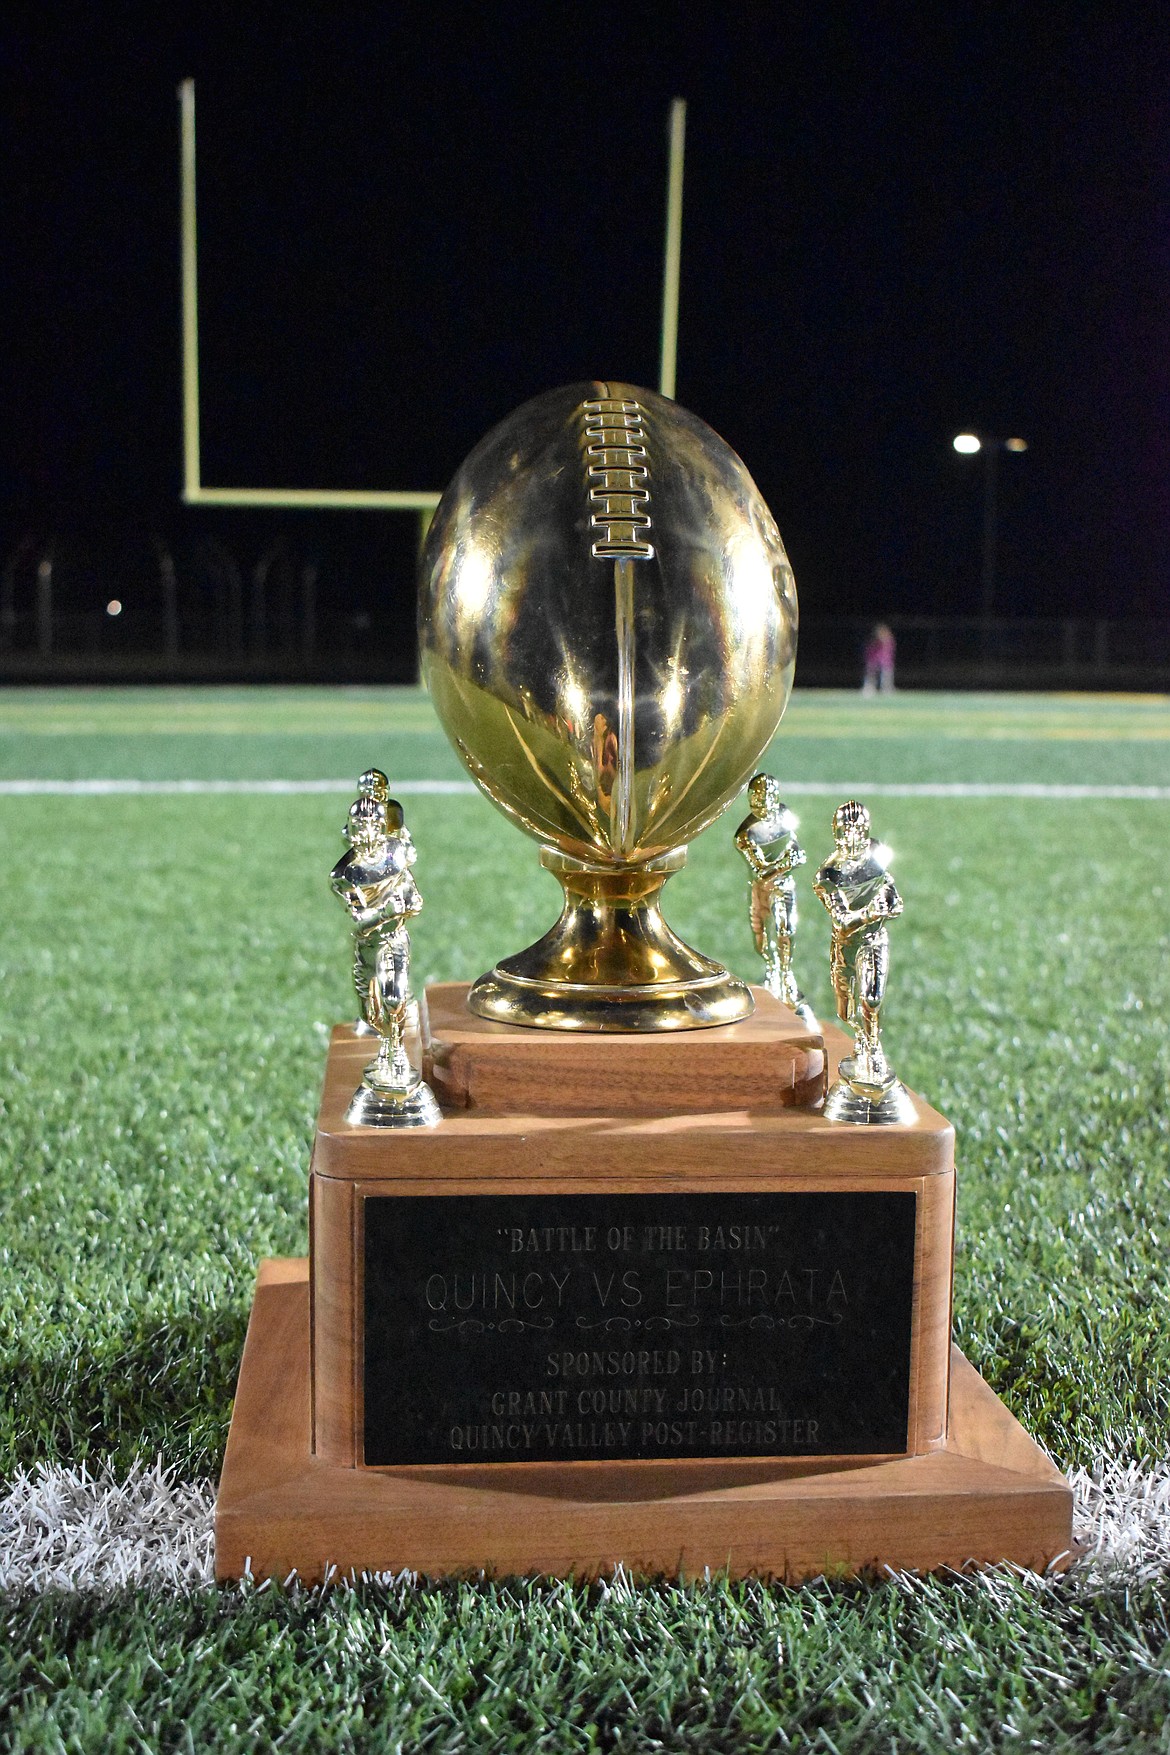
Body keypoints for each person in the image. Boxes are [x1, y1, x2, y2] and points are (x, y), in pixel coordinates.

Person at [812, 800, 902, 1092]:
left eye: (857, 831)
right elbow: (842, 921)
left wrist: (891, 902)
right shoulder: (829, 874)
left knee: (872, 998)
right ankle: (861, 1039)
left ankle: (872, 1046)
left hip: (874, 940)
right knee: (846, 1010)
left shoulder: (877, 855)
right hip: (847, 946)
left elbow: (891, 890)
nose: (851, 838)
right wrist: (873, 912)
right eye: (845, 831)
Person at [733, 773, 815, 1026]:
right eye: (757, 796)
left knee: (786, 930)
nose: (762, 801)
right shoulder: (746, 834)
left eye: (767, 795)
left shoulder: (785, 816)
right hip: (761, 891)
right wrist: (786, 864)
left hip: (784, 887)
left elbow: (797, 849)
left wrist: (789, 862)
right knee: (763, 939)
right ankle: (772, 971)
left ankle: (786, 976)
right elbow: (762, 871)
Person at [862, 623, 896, 695]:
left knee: (886, 676)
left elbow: (889, 653)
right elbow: (869, 652)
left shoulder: (889, 641)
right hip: (873, 661)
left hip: (885, 662)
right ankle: (869, 688)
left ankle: (887, 689)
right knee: (871, 675)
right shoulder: (873, 642)